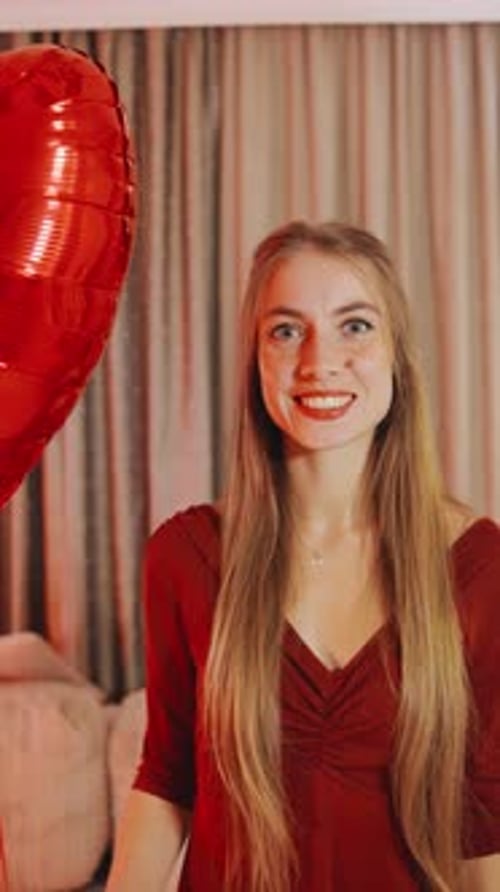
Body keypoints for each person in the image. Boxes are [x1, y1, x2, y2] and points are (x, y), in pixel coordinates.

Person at [106, 221, 500, 891]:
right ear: (257, 358)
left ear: (398, 355)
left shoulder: (481, 567)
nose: (319, 362)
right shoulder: (186, 556)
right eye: (286, 331)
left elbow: (485, 817)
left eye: (355, 326)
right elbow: (168, 776)